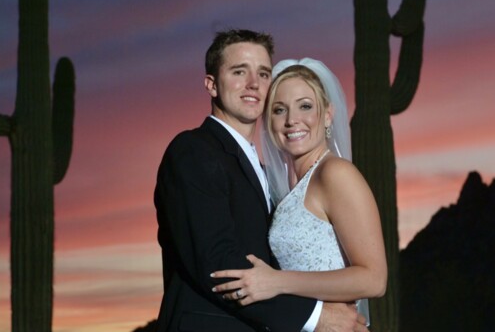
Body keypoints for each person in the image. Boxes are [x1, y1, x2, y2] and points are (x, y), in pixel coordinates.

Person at [154, 31, 368, 332]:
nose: (253, 83)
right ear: (211, 84)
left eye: (263, 73)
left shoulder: (267, 172)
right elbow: (217, 262)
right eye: (239, 71)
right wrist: (316, 316)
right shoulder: (192, 151)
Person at [211, 58, 387, 326]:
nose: (292, 120)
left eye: (305, 106)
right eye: (279, 110)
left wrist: (276, 282)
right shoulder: (285, 189)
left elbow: (374, 280)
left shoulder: (335, 174)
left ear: (327, 115)